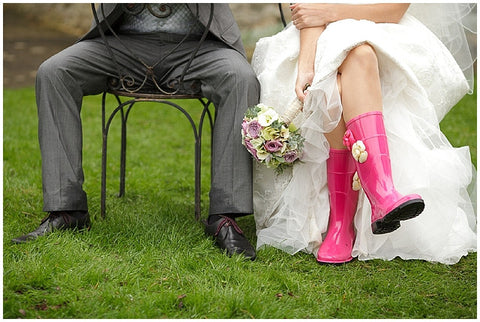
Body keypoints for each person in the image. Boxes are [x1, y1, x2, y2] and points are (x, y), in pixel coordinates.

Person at [12, 3, 258, 260]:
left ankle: (224, 217)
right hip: (121, 44)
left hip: (201, 46)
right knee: (54, 72)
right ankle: (66, 210)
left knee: (241, 78)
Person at [251, 3, 476, 264]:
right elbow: (308, 10)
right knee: (332, 79)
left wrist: (330, 13)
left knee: (360, 53)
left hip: (383, 29)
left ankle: (346, 220)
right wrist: (306, 67)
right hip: (316, 38)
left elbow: (394, 10)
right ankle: (373, 200)